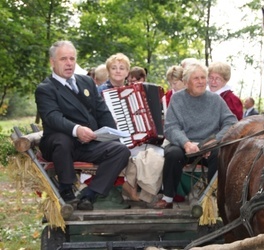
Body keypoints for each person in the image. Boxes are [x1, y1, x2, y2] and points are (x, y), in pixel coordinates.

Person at [35, 40, 131, 211]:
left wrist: (113, 135)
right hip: (60, 145)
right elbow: (52, 117)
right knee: (62, 139)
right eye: (63, 59)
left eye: (72, 59)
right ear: (52, 62)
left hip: (88, 142)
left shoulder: (86, 82)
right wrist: (76, 130)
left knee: (121, 150)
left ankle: (90, 194)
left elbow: (102, 112)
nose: (69, 63)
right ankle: (66, 190)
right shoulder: (45, 88)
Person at [152, 62, 238, 209]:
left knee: (220, 155)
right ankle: (167, 197)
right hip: (184, 144)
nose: (201, 81)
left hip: (209, 145)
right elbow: (171, 127)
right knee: (173, 154)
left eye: (203, 78)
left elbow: (231, 122)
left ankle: (213, 200)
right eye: (196, 78)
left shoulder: (216, 99)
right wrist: (186, 143)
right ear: (186, 82)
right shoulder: (177, 99)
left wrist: (215, 141)